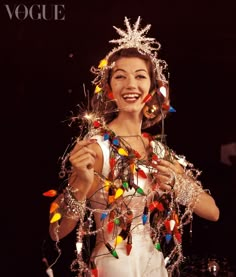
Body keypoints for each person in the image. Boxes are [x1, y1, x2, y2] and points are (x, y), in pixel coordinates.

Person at [45, 17, 219, 277]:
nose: (131, 85)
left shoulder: (158, 150)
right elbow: (56, 231)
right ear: (109, 88)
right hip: (115, 267)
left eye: (140, 76)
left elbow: (213, 212)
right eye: (120, 76)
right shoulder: (97, 147)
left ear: (151, 87)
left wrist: (178, 185)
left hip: (154, 265)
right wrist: (81, 183)